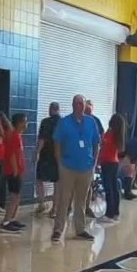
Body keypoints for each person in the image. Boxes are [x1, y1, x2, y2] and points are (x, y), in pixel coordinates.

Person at [51, 95, 100, 243]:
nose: (79, 106)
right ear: (73, 105)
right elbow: (57, 143)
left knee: (81, 201)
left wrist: (94, 162)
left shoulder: (91, 122)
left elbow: (96, 143)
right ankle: (58, 229)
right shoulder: (64, 122)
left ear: (84, 105)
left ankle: (80, 229)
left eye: (81, 103)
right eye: (76, 103)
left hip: (86, 167)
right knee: (64, 200)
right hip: (68, 167)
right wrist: (60, 162)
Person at [0, 113, 28, 234]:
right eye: (25, 122)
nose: (27, 124)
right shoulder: (14, 136)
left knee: (17, 196)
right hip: (12, 170)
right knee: (14, 196)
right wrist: (15, 169)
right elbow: (11, 154)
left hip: (17, 169)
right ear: (20, 123)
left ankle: (12, 218)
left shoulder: (17, 135)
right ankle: (6, 222)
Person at [35, 102, 61, 216]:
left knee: (40, 179)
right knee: (57, 183)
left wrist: (36, 153)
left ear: (50, 109)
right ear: (58, 110)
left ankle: (42, 203)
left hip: (45, 155)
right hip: (58, 156)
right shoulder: (63, 122)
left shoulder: (45, 122)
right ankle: (54, 209)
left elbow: (42, 139)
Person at [99, 113, 126, 222]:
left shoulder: (110, 133)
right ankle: (115, 212)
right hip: (114, 162)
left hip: (107, 162)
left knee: (108, 187)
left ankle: (109, 214)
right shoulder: (119, 136)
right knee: (114, 188)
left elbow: (103, 145)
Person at [84, 100, 106, 217]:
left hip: (90, 157)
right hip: (77, 158)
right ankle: (69, 207)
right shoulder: (77, 120)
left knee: (89, 183)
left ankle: (87, 207)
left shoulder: (95, 121)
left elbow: (101, 139)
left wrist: (97, 159)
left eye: (90, 111)